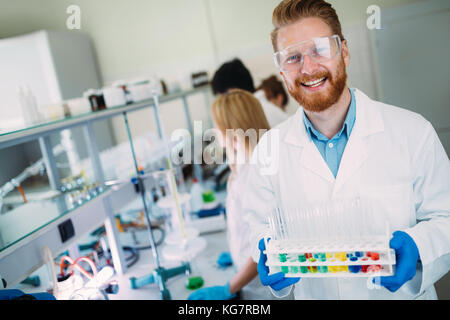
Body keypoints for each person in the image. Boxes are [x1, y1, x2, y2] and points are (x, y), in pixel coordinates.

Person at [244, 0, 450, 300]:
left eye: (319, 49)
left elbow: (446, 216)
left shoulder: (412, 131)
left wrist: (418, 246)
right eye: (293, 57)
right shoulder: (268, 151)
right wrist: (267, 250)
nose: (308, 67)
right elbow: (259, 229)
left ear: (345, 51)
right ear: (281, 71)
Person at [188, 89, 286, 300]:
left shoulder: (256, 174)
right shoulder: (241, 167)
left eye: (217, 126)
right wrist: (236, 254)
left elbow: (265, 249)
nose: (214, 132)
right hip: (247, 278)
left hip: (263, 289)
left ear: (233, 134)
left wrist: (228, 288)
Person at [211, 58, 289, 128]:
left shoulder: (258, 113)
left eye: (222, 98)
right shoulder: (261, 108)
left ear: (232, 92)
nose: (224, 105)